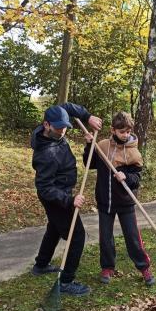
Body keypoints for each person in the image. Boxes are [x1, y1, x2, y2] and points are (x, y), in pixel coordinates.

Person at [31, 103, 102, 296]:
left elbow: (66, 107)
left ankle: (41, 264)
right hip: (56, 197)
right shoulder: (46, 154)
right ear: (46, 125)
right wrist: (68, 200)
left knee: (54, 228)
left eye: (65, 126)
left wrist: (87, 116)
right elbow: (44, 188)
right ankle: (66, 281)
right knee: (77, 236)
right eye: (58, 127)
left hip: (62, 192)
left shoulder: (55, 123)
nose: (63, 130)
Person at [83, 111, 155, 286]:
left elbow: (137, 179)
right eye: (122, 131)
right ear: (113, 130)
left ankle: (144, 267)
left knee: (133, 238)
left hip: (125, 203)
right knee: (105, 238)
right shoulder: (103, 146)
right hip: (104, 201)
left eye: (128, 131)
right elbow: (89, 164)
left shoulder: (134, 153)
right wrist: (89, 145)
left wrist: (126, 177)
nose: (126, 135)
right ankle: (107, 267)